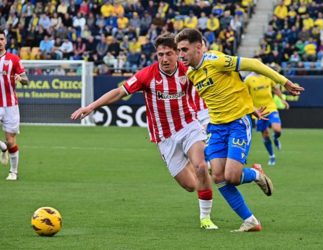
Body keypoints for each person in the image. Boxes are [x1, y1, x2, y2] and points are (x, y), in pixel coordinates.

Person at [71, 33, 218, 230]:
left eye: (169, 54)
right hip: (164, 137)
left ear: (177, 53)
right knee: (191, 185)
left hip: (189, 126)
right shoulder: (147, 75)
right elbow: (119, 92)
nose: (164, 59)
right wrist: (91, 106)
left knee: (199, 166)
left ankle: (205, 218)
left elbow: (216, 87)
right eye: (160, 55)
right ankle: (207, 168)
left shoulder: (188, 71)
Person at [175, 28, 304, 232]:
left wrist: (284, 82)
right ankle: (250, 221)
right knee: (217, 176)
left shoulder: (216, 60)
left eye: (184, 49)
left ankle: (255, 174)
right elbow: (226, 90)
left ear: (198, 47)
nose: (180, 54)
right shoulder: (191, 73)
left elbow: (254, 64)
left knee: (233, 176)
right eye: (178, 50)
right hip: (216, 127)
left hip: (237, 124)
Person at [0, 30, 29, 180]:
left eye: (1, 39)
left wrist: (20, 78)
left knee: (11, 141)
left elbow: (26, 80)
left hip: (10, 105)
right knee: (6, 143)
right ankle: (2, 146)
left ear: (5, 41)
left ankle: (13, 172)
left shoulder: (14, 59)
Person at [245, 72, 290, 166]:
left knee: (277, 130)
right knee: (265, 135)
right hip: (259, 111)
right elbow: (245, 95)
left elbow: (275, 88)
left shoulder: (267, 76)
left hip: (271, 107)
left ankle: (276, 138)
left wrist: (282, 99)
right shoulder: (248, 79)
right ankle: (272, 156)